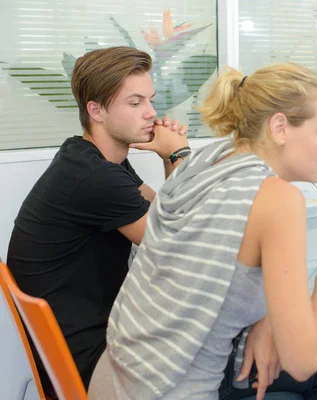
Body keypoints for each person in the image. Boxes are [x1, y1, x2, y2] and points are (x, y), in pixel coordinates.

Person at [87, 62, 317, 400]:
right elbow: (302, 360)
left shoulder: (203, 163)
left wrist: (268, 320)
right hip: (169, 389)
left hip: (116, 376)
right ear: (279, 127)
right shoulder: (278, 199)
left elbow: (214, 271)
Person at [6, 46, 190, 393]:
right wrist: (178, 153)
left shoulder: (90, 159)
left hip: (100, 344)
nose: (151, 113)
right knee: (306, 372)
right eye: (135, 103)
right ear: (96, 110)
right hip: (100, 368)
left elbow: (166, 210)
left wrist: (170, 159)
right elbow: (181, 248)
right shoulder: (95, 178)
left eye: (150, 100)